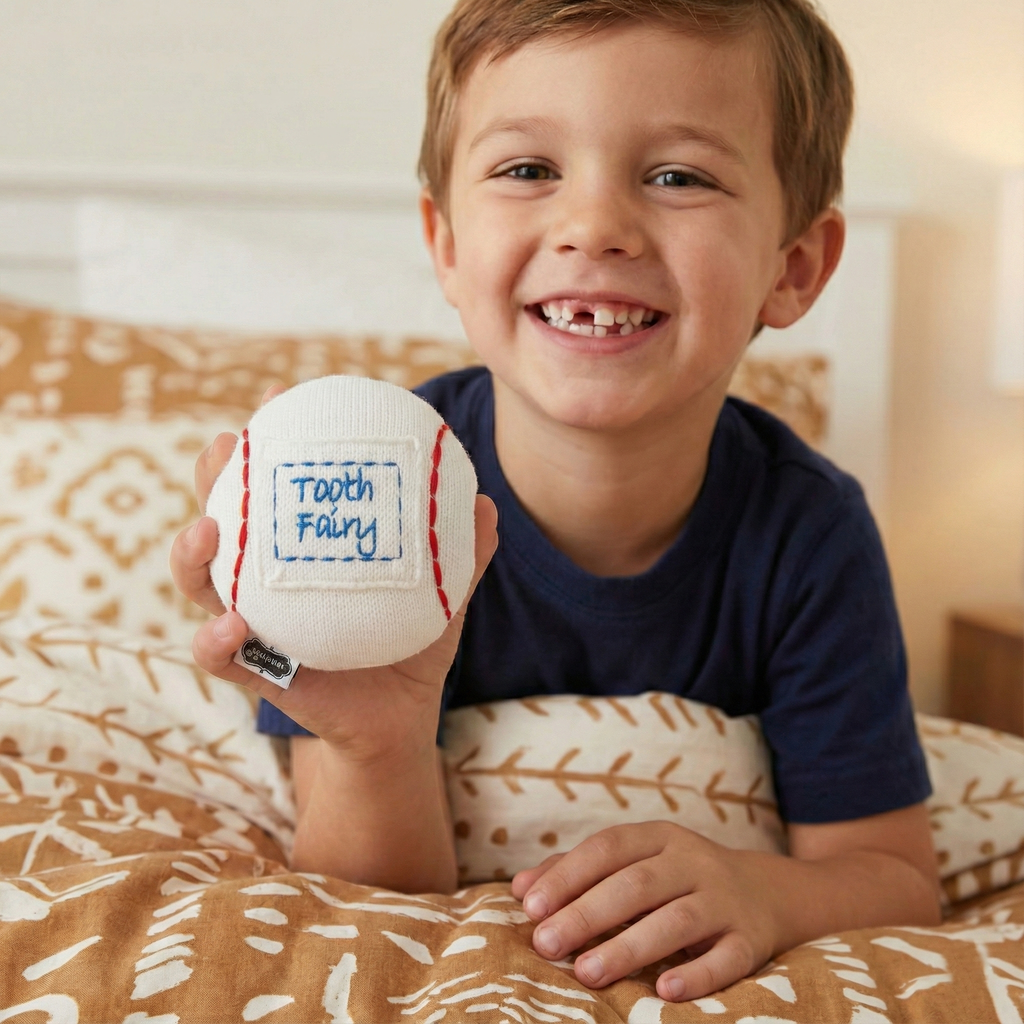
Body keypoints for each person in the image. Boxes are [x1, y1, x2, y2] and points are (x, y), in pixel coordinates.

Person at [170, 0, 941, 1002]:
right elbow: (366, 907)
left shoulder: (810, 532)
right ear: (444, 243)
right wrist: (375, 742)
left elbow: (889, 875)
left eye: (678, 175)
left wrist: (769, 892)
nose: (593, 227)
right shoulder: (364, 507)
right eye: (529, 169)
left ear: (791, 269)